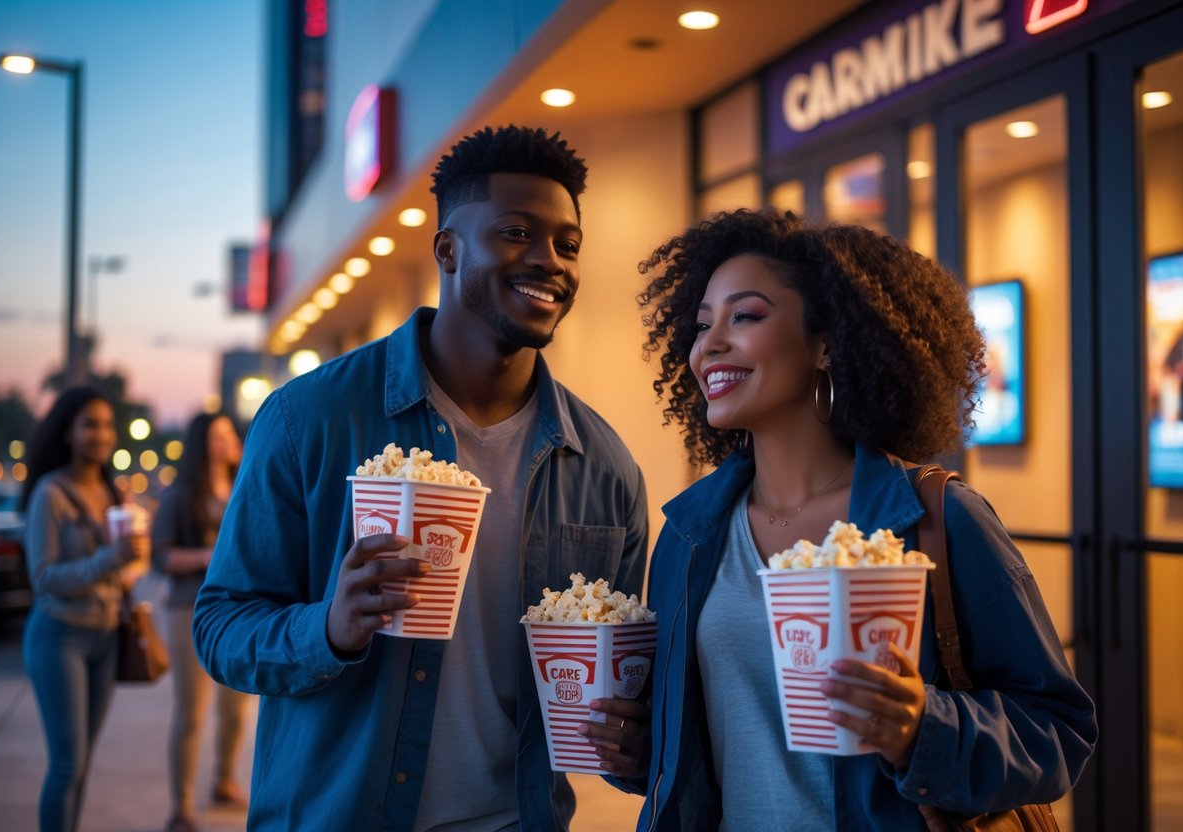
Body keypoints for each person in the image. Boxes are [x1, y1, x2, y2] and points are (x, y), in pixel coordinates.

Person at [192, 124, 649, 830]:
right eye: (516, 233)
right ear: (447, 249)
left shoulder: (604, 468)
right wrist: (329, 629)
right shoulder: (307, 421)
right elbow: (220, 627)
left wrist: (631, 738)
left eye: (567, 244)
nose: (547, 260)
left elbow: (615, 708)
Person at [604, 208, 1097, 829]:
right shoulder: (689, 536)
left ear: (826, 341)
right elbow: (707, 750)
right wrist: (638, 748)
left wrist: (923, 729)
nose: (711, 345)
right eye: (703, 325)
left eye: (746, 315)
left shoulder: (936, 519)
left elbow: (1057, 732)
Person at [20, 386, 151, 832]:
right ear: (67, 432)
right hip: (59, 637)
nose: (101, 434)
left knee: (81, 765)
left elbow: (120, 572)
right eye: (89, 424)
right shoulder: (50, 493)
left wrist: (133, 560)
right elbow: (44, 578)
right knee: (65, 765)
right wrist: (110, 559)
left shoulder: (112, 492)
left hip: (105, 637)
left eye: (107, 424)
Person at [151, 412, 249, 832]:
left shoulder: (246, 485)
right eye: (219, 433)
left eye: (231, 432)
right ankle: (182, 807)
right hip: (188, 606)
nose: (229, 439)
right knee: (191, 711)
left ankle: (224, 780)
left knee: (236, 708)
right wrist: (209, 557)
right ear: (201, 442)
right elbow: (161, 557)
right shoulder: (180, 496)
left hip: (240, 609)